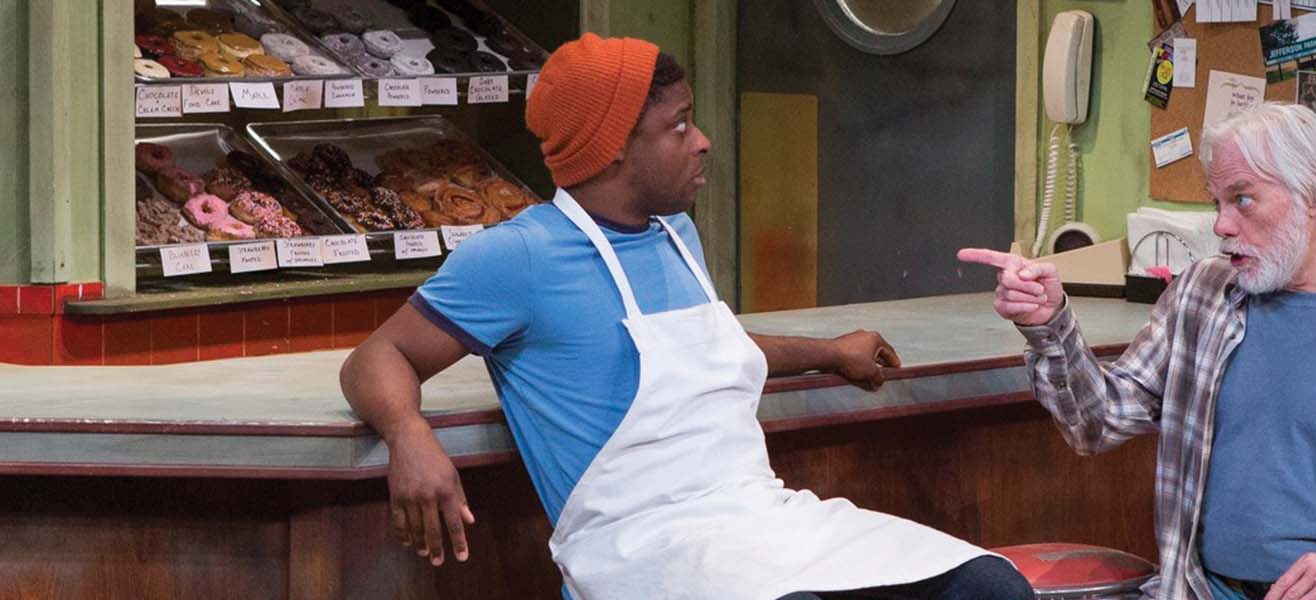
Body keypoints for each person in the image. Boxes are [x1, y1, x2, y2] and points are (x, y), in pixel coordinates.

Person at [342, 33, 1035, 600]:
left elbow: (705, 347)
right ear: (614, 147)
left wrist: (828, 351)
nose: (701, 141)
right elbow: (377, 358)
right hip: (635, 551)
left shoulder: (674, 234)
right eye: (679, 126)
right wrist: (408, 434)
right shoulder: (517, 257)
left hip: (753, 515)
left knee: (987, 585)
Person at [958, 103, 1316, 600]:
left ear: (1314, 197)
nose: (1220, 225)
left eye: (1242, 199)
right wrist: (1049, 322)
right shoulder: (1201, 295)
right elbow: (1097, 421)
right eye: (1216, 202)